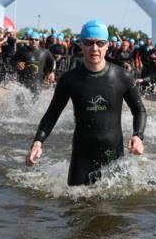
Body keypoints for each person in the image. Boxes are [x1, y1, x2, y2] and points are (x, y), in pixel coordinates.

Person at [26, 19, 146, 186]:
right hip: (81, 157)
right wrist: (37, 142)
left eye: (100, 43)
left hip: (113, 155)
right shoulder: (69, 80)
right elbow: (52, 114)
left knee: (116, 207)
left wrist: (138, 136)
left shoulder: (122, 76)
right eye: (88, 43)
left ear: (107, 45)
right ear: (81, 45)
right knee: (75, 206)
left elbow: (139, 110)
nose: (94, 48)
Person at [12, 31, 55, 100]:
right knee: (19, 103)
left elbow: (51, 63)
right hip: (22, 82)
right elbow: (12, 61)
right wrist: (17, 64)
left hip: (37, 82)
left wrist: (52, 72)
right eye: (31, 39)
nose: (33, 41)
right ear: (28, 40)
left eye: (36, 39)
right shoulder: (22, 50)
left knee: (35, 103)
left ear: (39, 40)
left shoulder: (45, 52)